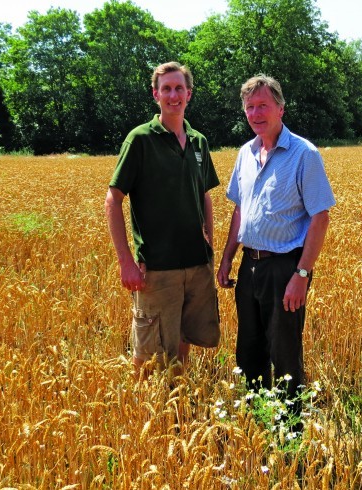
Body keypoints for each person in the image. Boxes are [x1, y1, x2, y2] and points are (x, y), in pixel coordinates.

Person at [217, 74, 335, 404]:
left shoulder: (303, 154)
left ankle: (290, 438)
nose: (256, 114)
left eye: (263, 106)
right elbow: (240, 209)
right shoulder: (245, 153)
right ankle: (257, 425)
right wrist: (228, 256)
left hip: (285, 268)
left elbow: (320, 217)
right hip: (249, 267)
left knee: (284, 354)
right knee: (249, 350)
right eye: (250, 107)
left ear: (281, 109)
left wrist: (301, 274)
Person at [105, 61, 220, 377]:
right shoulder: (140, 139)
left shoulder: (199, 141)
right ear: (156, 94)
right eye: (166, 89)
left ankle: (176, 405)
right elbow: (113, 199)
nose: (173, 95)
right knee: (148, 350)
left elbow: (206, 195)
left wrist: (210, 243)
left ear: (189, 94)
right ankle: (144, 411)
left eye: (179, 88)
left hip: (196, 264)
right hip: (156, 268)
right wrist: (126, 261)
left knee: (183, 340)